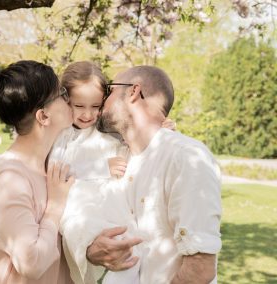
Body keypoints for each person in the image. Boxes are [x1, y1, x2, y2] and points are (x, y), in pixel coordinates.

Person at [85, 65, 222, 283]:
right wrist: (92, 251)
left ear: (133, 92)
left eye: (109, 91)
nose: (102, 100)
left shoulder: (186, 157)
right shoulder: (116, 161)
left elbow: (200, 269)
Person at [50, 61, 174, 284]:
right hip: (82, 208)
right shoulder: (62, 136)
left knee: (134, 247)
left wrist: (156, 132)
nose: (88, 114)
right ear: (65, 99)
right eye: (79, 106)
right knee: (119, 249)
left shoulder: (107, 132)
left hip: (115, 204)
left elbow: (131, 155)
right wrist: (101, 167)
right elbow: (59, 172)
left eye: (96, 106)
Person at [0, 60, 75, 284]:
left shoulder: (50, 165)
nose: (68, 99)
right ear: (43, 117)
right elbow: (30, 263)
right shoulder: (10, 178)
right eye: (61, 93)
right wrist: (55, 208)